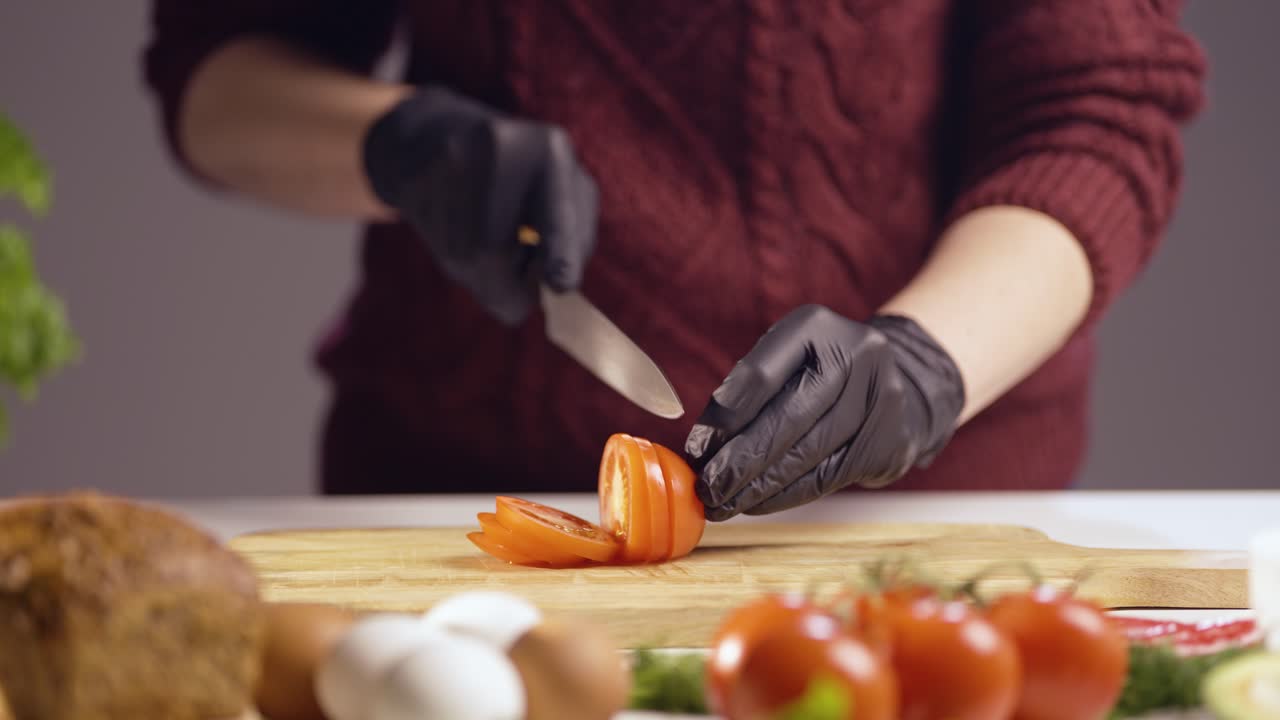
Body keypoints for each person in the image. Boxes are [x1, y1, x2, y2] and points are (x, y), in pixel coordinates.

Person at [142, 2, 1206, 520]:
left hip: (920, 529)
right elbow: (221, 73)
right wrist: (396, 142)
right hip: (457, 510)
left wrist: (922, 364)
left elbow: (1095, 115)